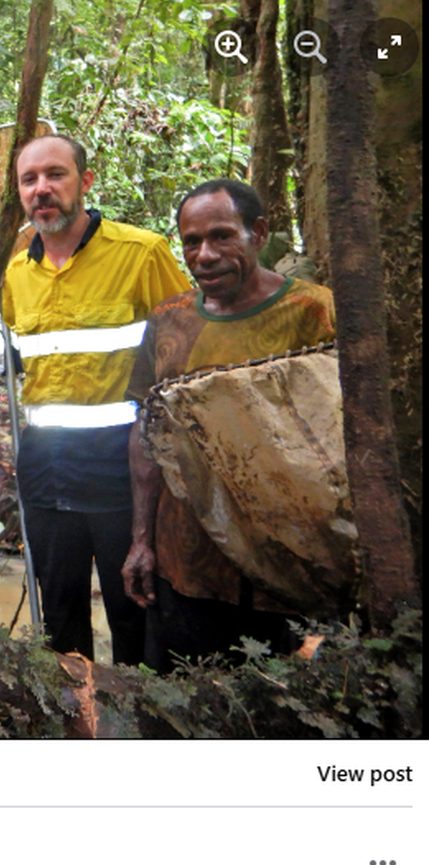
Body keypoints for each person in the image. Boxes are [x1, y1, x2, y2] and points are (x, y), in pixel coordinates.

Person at [121, 178, 337, 674]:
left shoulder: (313, 314)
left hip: (285, 574)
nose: (205, 255)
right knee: (176, 704)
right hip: (186, 569)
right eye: (191, 242)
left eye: (222, 236)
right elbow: (146, 432)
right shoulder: (169, 320)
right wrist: (141, 540)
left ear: (258, 234)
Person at [1, 135, 191, 665]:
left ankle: (139, 725)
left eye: (55, 175)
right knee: (59, 614)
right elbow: (23, 360)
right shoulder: (18, 272)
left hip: (122, 468)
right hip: (44, 468)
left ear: (84, 181)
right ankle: (75, 725)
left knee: (135, 610)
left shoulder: (141, 254)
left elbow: (183, 360)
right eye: (29, 179)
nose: (42, 189)